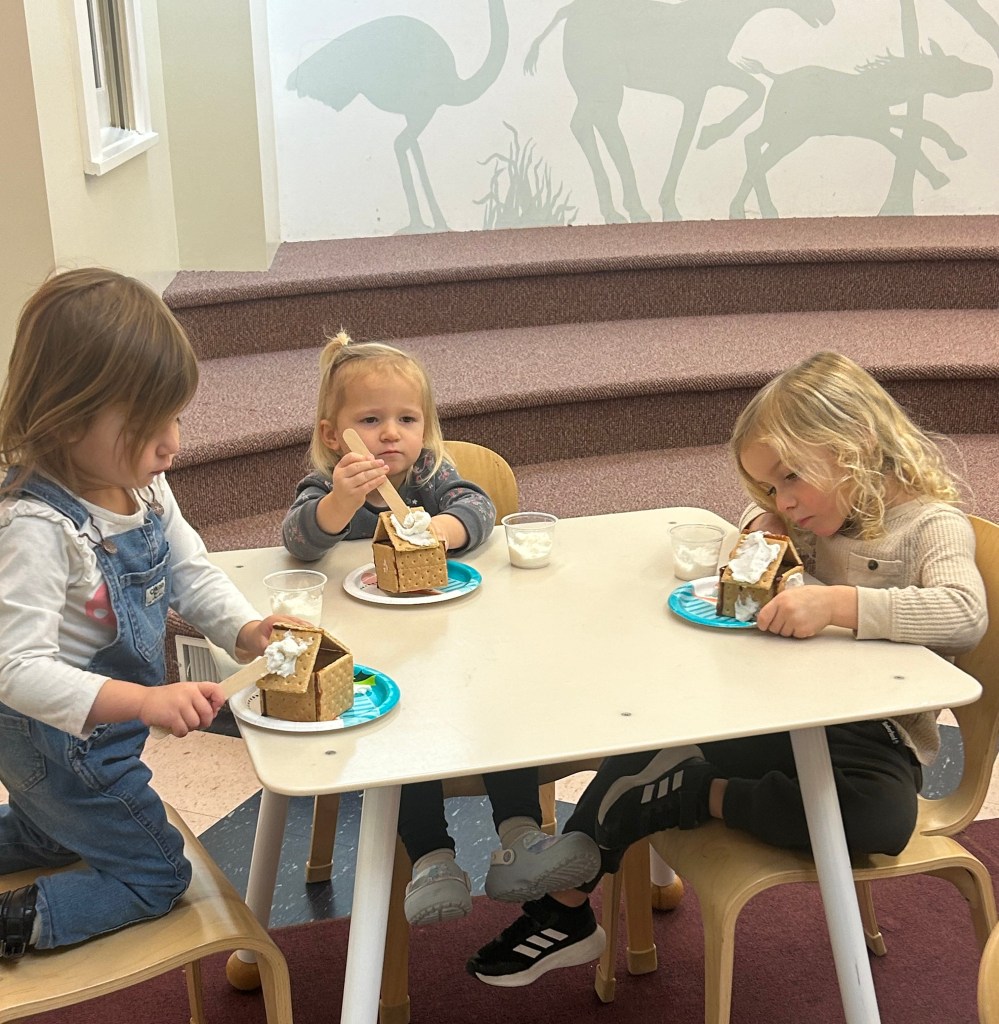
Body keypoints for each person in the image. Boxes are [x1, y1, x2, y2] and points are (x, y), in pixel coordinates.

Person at [466, 349, 988, 986]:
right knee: (654, 733)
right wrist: (761, 519)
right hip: (784, 712)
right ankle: (565, 909)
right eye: (770, 488)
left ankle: (690, 795)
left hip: (872, 738)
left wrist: (837, 604)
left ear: (856, 445)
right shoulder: (821, 510)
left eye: (790, 478)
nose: (785, 501)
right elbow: (765, 519)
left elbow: (964, 613)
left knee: (882, 819)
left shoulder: (930, 525)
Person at [0, 268, 297, 959]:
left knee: (53, 832)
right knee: (158, 874)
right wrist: (143, 701)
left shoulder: (146, 487)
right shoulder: (37, 527)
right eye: (148, 425)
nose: (173, 443)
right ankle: (18, 922)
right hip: (55, 744)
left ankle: (45, 827)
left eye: (177, 417)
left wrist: (245, 629)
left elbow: (189, 570)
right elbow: (14, 668)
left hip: (91, 740)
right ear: (67, 418)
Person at [282, 331, 599, 926]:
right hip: (381, 654)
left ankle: (521, 835)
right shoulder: (330, 484)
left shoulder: (428, 471)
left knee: (498, 704)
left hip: (455, 646)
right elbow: (299, 542)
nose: (390, 434)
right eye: (370, 420)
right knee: (397, 735)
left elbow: (478, 509)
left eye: (406, 419)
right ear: (333, 435)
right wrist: (340, 505)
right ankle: (431, 857)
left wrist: (439, 531)